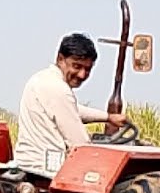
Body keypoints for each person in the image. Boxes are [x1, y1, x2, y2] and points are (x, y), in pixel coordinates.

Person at [11, 33, 128, 175]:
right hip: (45, 170)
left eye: (87, 69)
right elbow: (80, 144)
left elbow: (71, 110)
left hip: (25, 163)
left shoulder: (41, 79)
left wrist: (109, 117)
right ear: (61, 59)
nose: (82, 75)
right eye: (77, 66)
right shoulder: (58, 88)